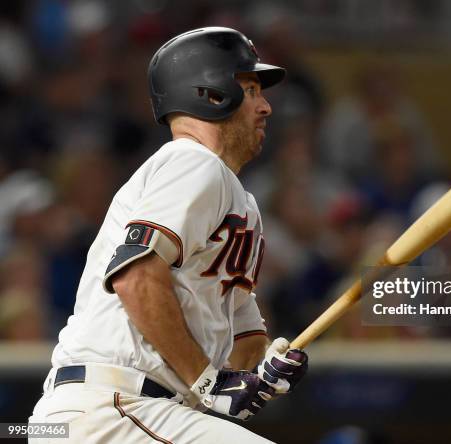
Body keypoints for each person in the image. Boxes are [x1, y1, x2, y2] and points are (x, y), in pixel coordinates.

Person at [28, 27, 308, 443]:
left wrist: (262, 373)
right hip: (115, 407)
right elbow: (135, 278)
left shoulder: (238, 200)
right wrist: (210, 383)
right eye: (251, 90)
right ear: (211, 93)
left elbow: (242, 343)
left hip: (136, 412)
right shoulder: (192, 162)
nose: (266, 107)